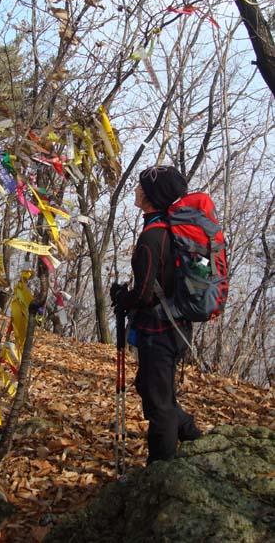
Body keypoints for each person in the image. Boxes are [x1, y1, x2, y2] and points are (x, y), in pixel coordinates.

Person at [110, 165, 201, 465]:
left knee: (159, 405)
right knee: (150, 388)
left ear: (150, 197)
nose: (136, 191)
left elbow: (146, 294)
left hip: (159, 332)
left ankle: (160, 472)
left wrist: (124, 298)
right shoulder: (170, 229)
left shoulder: (152, 236)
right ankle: (190, 434)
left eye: (140, 188)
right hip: (175, 327)